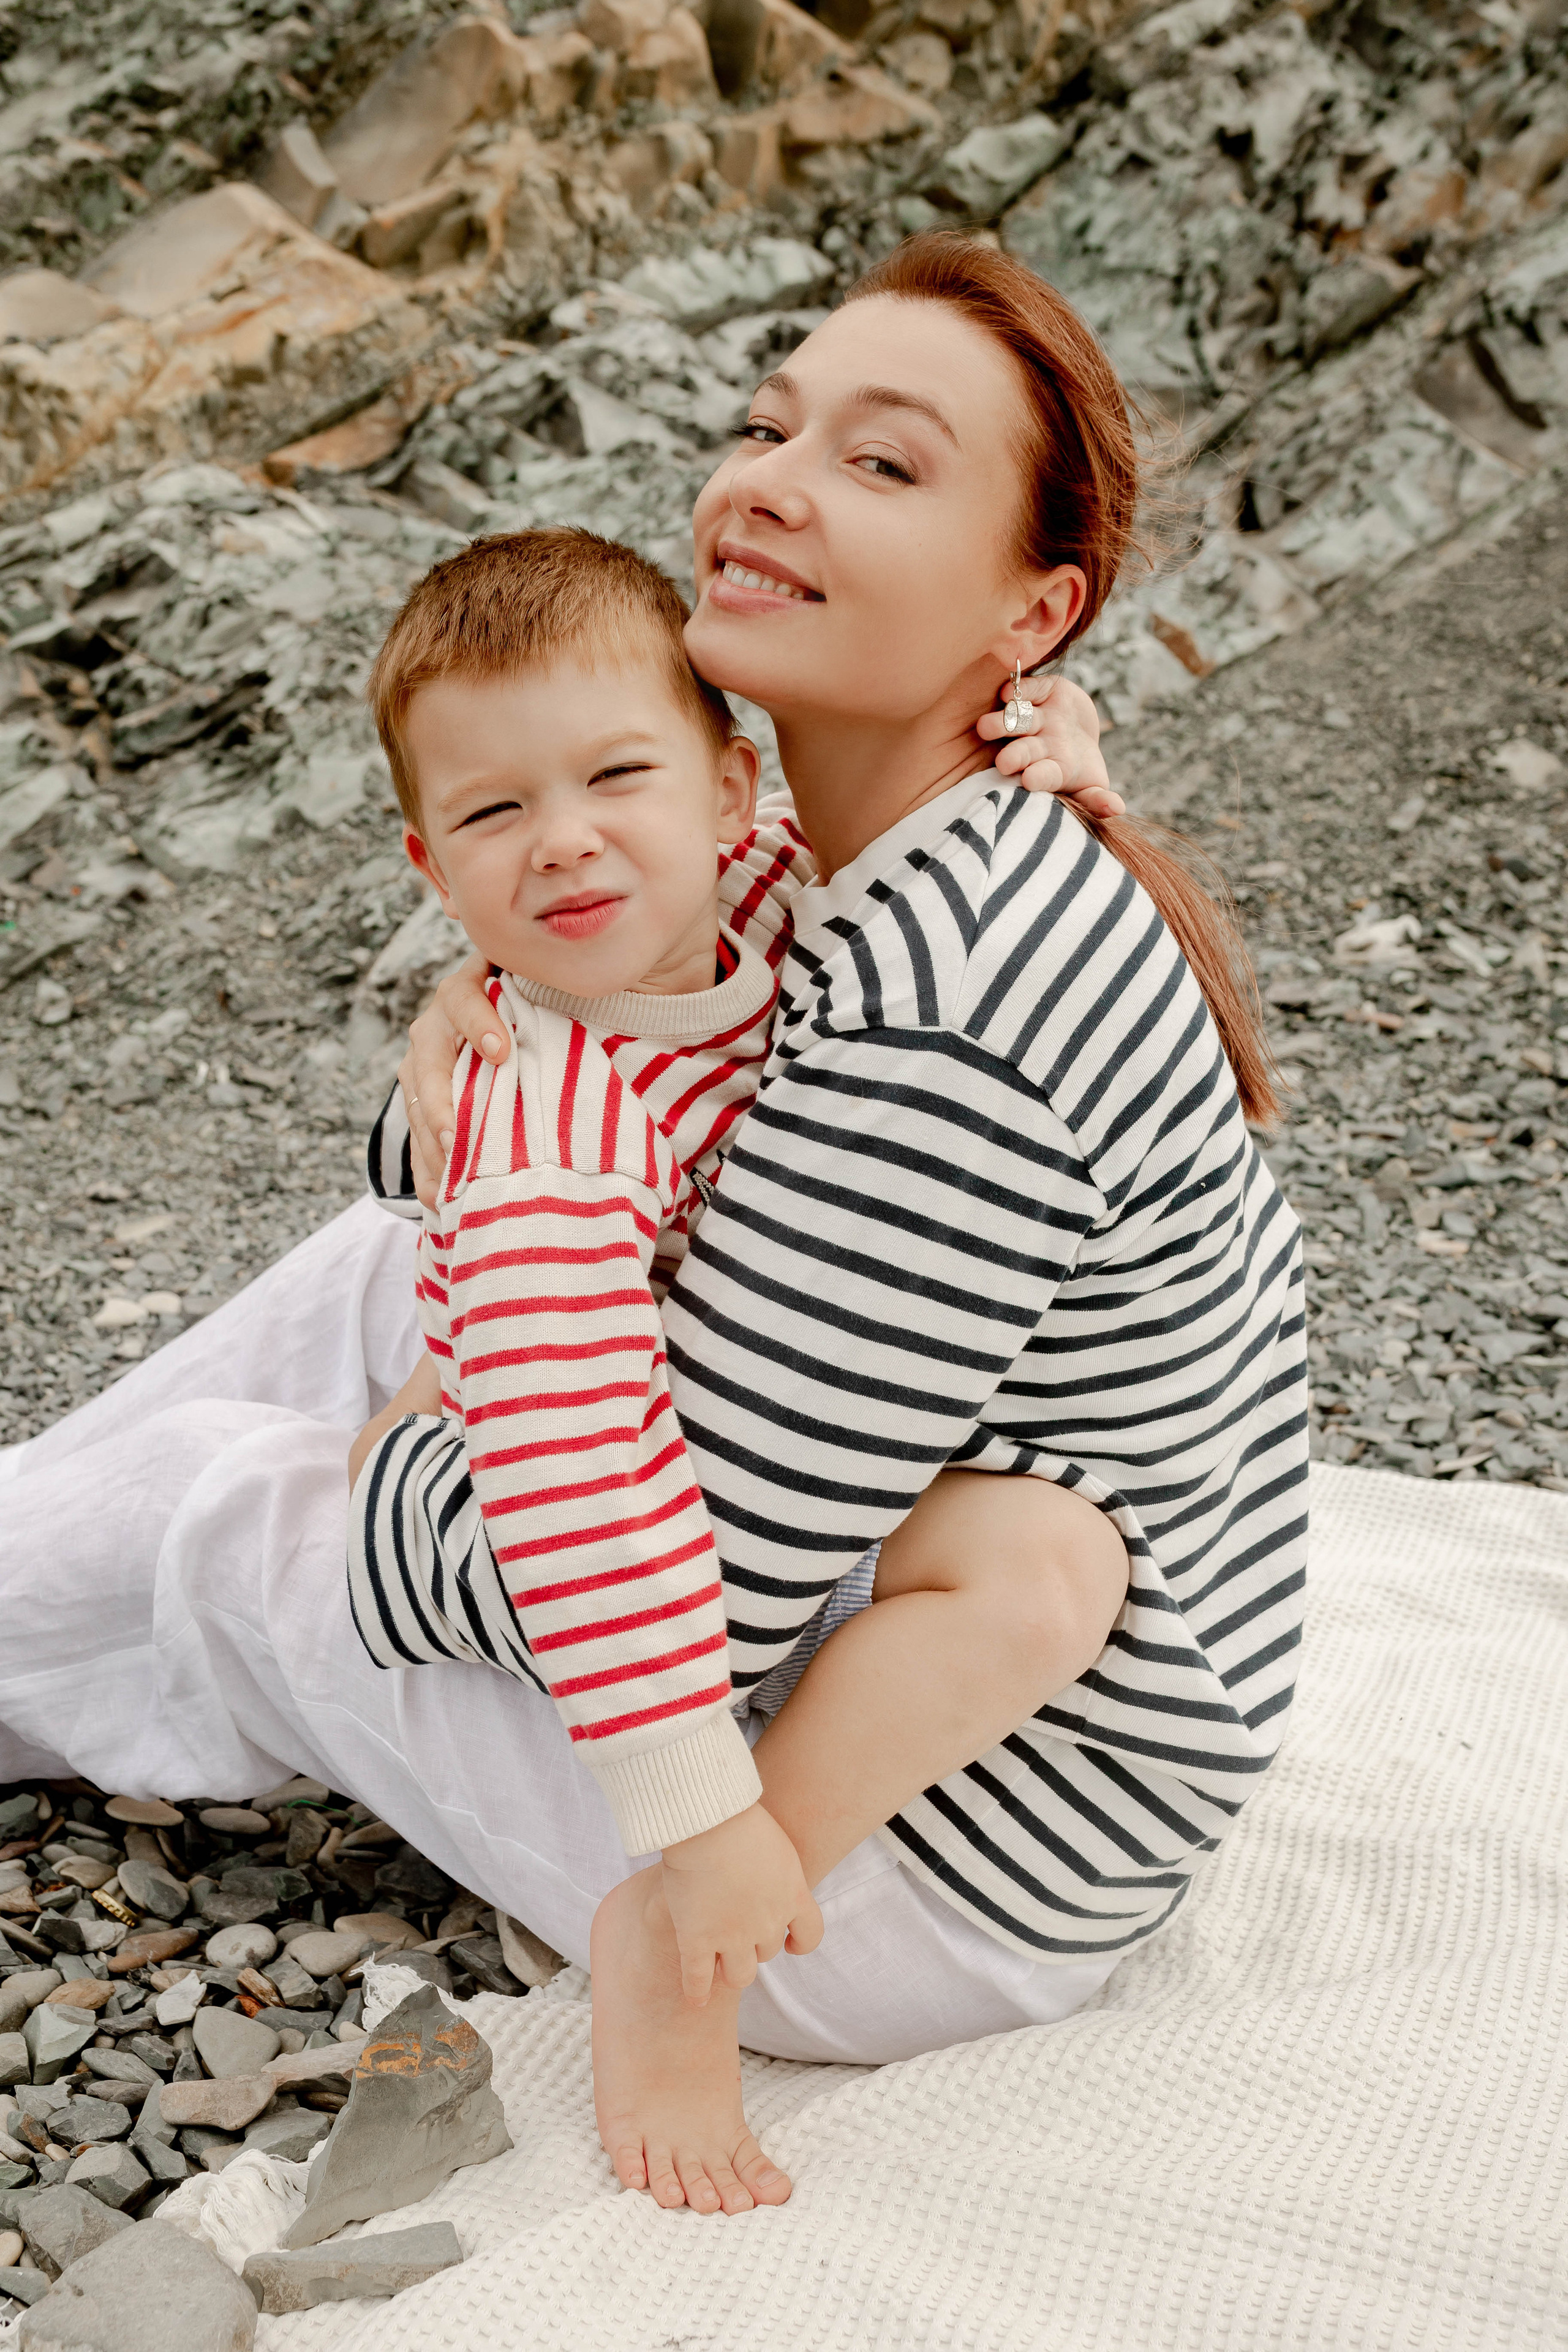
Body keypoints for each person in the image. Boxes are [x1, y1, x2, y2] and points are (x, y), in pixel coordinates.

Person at [0, 232, 1306, 2225]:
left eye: (882, 465)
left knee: (228, 1499)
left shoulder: (952, 1007)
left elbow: (690, 1577)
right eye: (771, 422)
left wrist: (401, 1464)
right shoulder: (871, 841)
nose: (771, 478)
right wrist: (460, 1119)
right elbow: (507, 1154)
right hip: (1000, 1649)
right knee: (391, 1266)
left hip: (923, 1862)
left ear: (1028, 614)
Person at [343, 521, 1133, 2204]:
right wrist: (695, 1813)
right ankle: (683, 1956)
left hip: (699, 1381)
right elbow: (583, 1486)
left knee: (1051, 1550)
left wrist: (1058, 750)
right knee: (1041, 1565)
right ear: (430, 864)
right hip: (579, 1466)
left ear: (727, 788)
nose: (563, 844)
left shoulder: (759, 882)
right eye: (493, 815)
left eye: (613, 776)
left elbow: (906, 836)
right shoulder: (549, 1126)